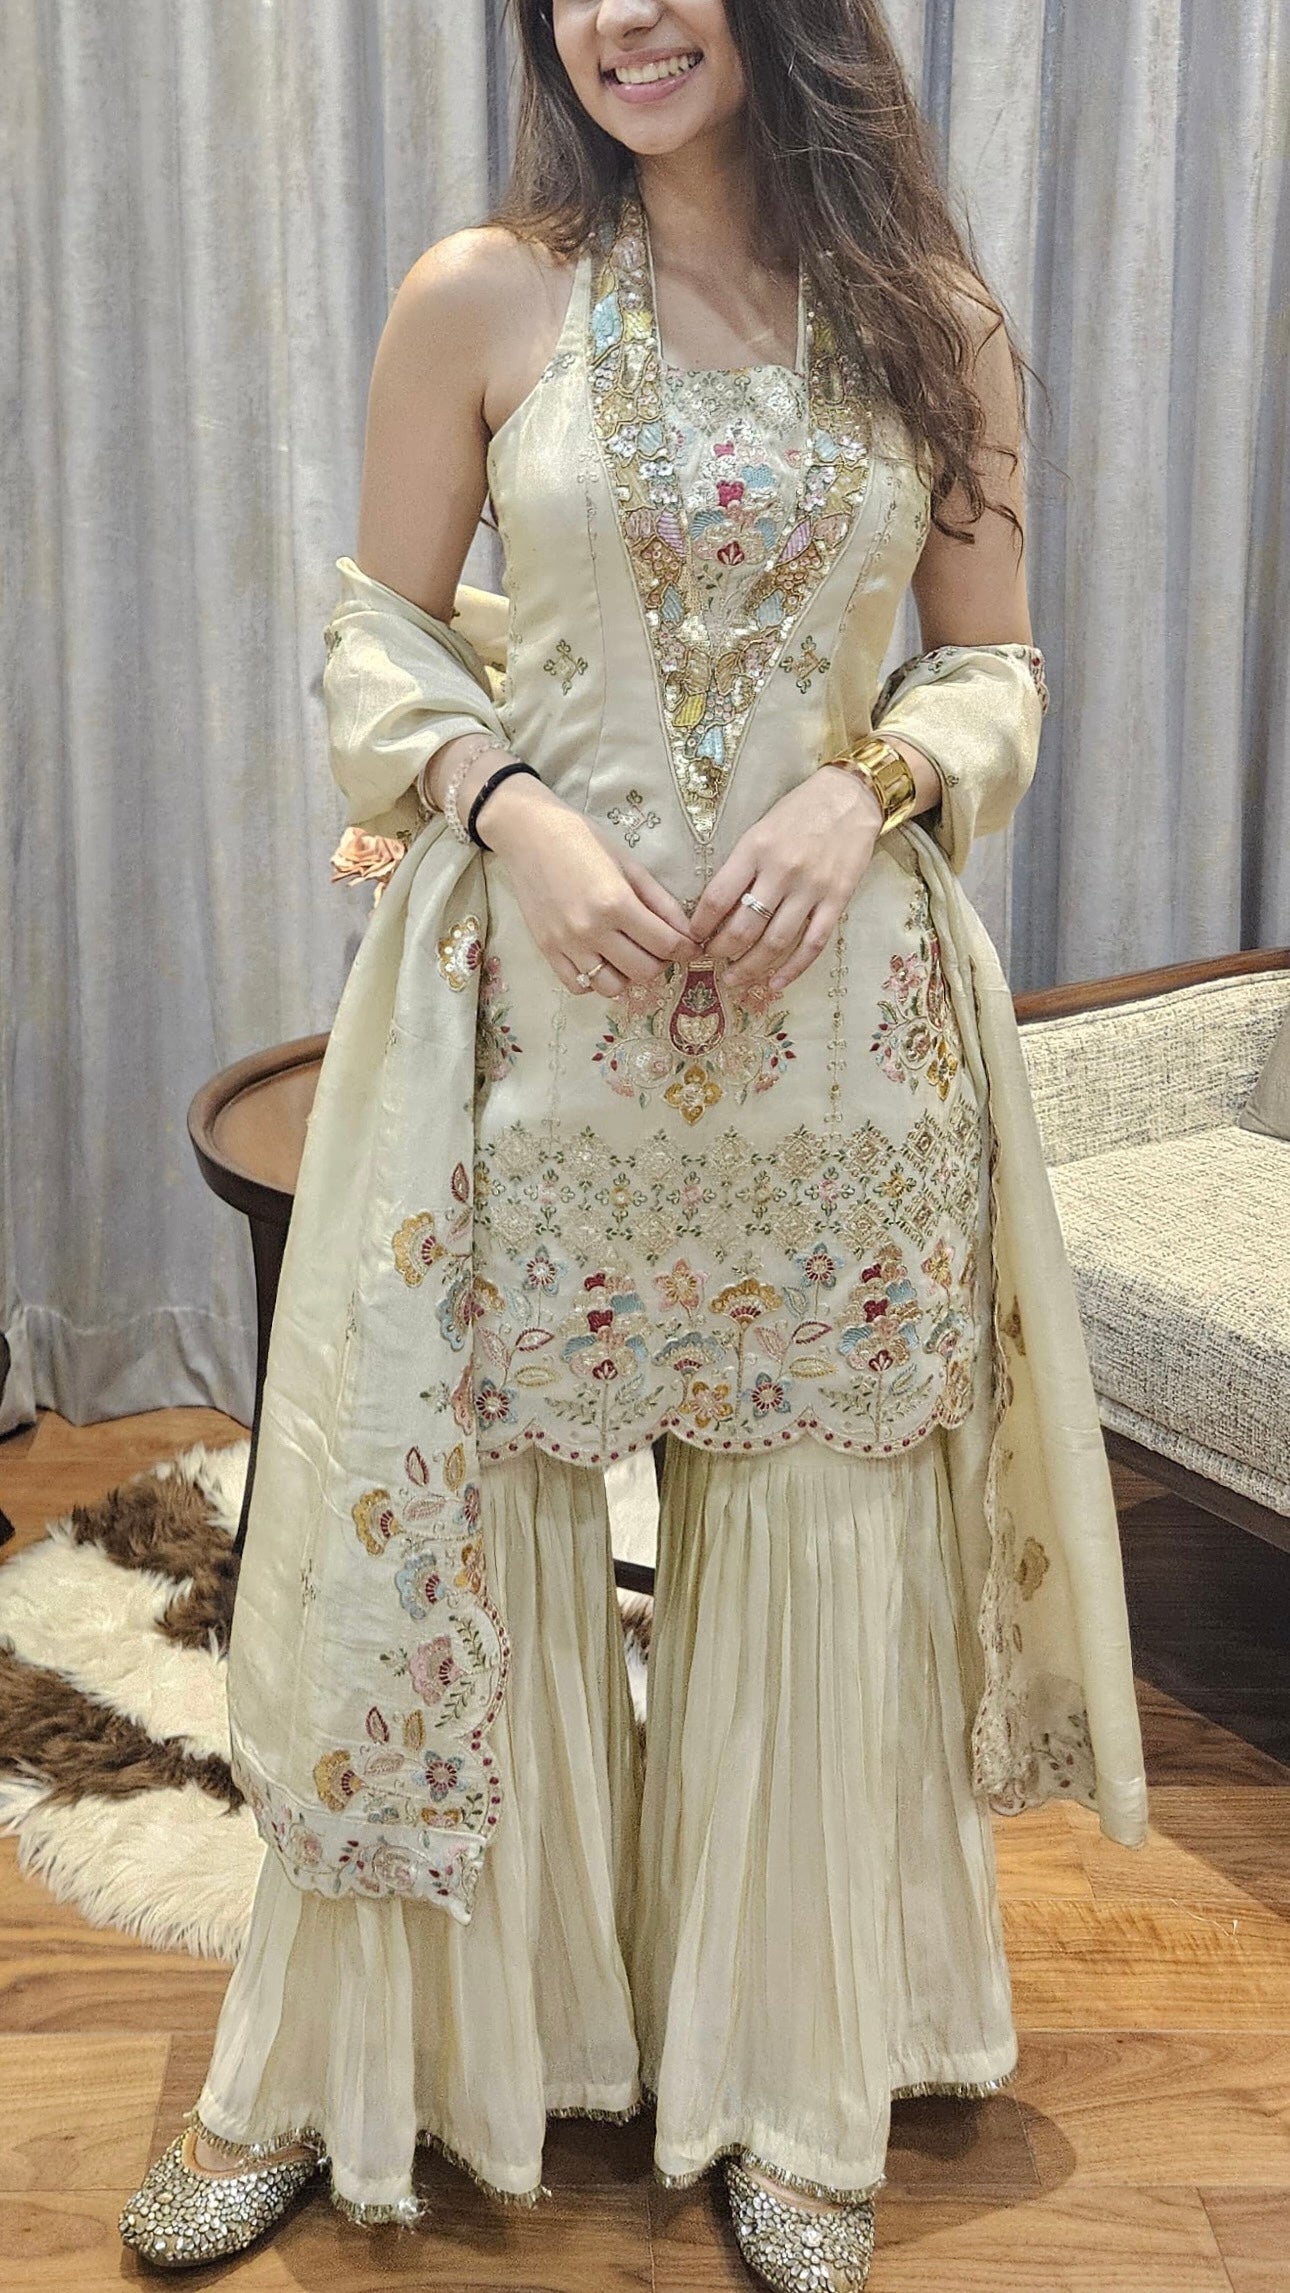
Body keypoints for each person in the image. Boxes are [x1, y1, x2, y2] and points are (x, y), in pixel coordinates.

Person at [121, 3, 1149, 2285]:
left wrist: (865, 788)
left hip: (838, 1064)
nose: (621, 16)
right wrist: (508, 809)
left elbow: (992, 668)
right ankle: (368, 2060)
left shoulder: (931, 320)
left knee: (814, 1554)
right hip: (530, 1046)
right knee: (456, 1552)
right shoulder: (481, 297)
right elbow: (378, 646)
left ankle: (792, 2076)